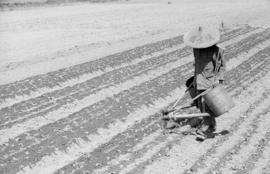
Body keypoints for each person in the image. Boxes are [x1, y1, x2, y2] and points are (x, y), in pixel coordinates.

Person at [184, 26, 226, 141]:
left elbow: (221, 67)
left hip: (209, 82)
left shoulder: (217, 51)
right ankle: (210, 124)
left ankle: (206, 128)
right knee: (200, 105)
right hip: (198, 81)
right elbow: (197, 65)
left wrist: (219, 81)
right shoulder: (196, 49)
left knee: (207, 105)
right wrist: (194, 80)